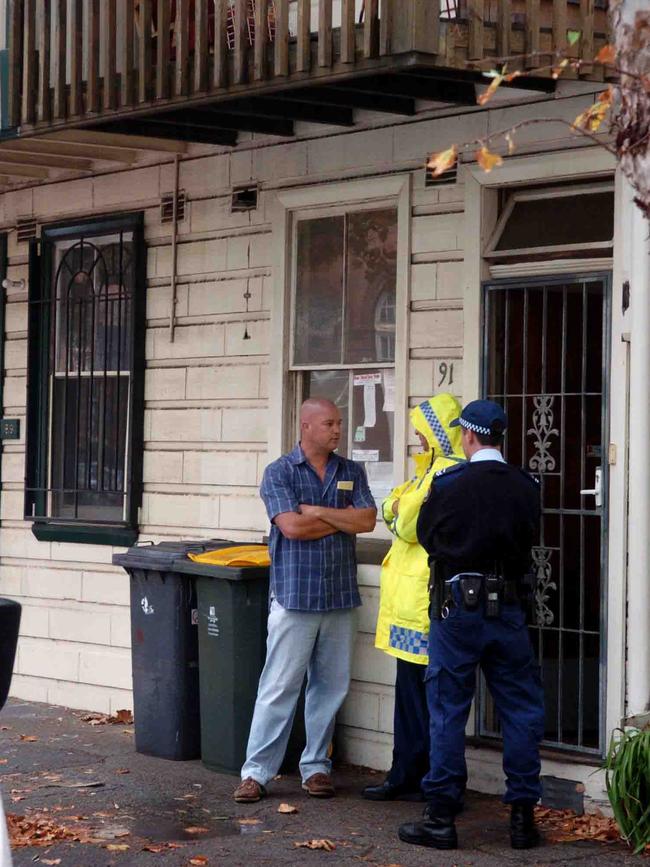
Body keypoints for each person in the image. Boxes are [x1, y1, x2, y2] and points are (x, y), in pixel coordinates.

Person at [398, 399, 545, 851]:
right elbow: (530, 539)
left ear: (468, 436)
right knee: (520, 708)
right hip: (510, 609)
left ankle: (441, 817)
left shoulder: (449, 482)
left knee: (447, 709)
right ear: (499, 436)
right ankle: (522, 818)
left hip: (457, 609)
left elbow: (426, 536)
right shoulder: (526, 485)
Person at [234, 398, 377, 803]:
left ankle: (316, 768)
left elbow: (366, 521)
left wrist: (318, 511)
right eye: (329, 423)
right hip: (295, 596)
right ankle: (257, 773)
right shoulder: (279, 472)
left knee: (330, 687)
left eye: (340, 422)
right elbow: (292, 528)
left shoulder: (351, 471)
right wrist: (338, 519)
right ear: (307, 426)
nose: (337, 430)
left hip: (339, 596)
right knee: (279, 686)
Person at [362, 394, 464, 802]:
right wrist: (394, 505)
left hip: (422, 605)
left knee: (419, 699)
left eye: (423, 431)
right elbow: (392, 507)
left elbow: (401, 522)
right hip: (414, 604)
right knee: (418, 697)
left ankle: (413, 776)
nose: (418, 439)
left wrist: (395, 507)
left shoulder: (442, 476)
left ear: (439, 433)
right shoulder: (432, 474)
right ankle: (413, 773)